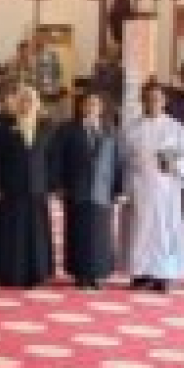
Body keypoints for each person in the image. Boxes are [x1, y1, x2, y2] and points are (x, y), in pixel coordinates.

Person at [120, 82, 184, 293]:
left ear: (164, 101)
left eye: (157, 98)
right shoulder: (132, 128)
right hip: (140, 187)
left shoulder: (175, 127)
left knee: (165, 230)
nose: (152, 102)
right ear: (142, 100)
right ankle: (141, 273)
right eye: (148, 98)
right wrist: (125, 187)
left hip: (167, 188)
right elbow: (123, 159)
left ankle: (164, 273)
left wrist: (175, 165)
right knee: (140, 230)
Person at [51, 91, 125, 289]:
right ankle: (80, 274)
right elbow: (57, 159)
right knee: (78, 232)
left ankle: (98, 274)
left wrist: (119, 189)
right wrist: (57, 185)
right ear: (81, 106)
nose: (91, 107)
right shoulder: (68, 129)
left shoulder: (110, 130)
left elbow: (118, 162)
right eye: (87, 103)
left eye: (95, 104)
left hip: (102, 191)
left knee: (101, 235)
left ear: (101, 108)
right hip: (76, 189)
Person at [0, 85, 56, 288]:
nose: (26, 104)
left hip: (38, 187)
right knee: (14, 231)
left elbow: (51, 159)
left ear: (36, 103)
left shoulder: (46, 128)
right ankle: (12, 273)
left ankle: (37, 273)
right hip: (12, 187)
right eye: (23, 100)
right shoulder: (4, 128)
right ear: (17, 103)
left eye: (30, 100)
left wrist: (51, 184)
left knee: (36, 232)